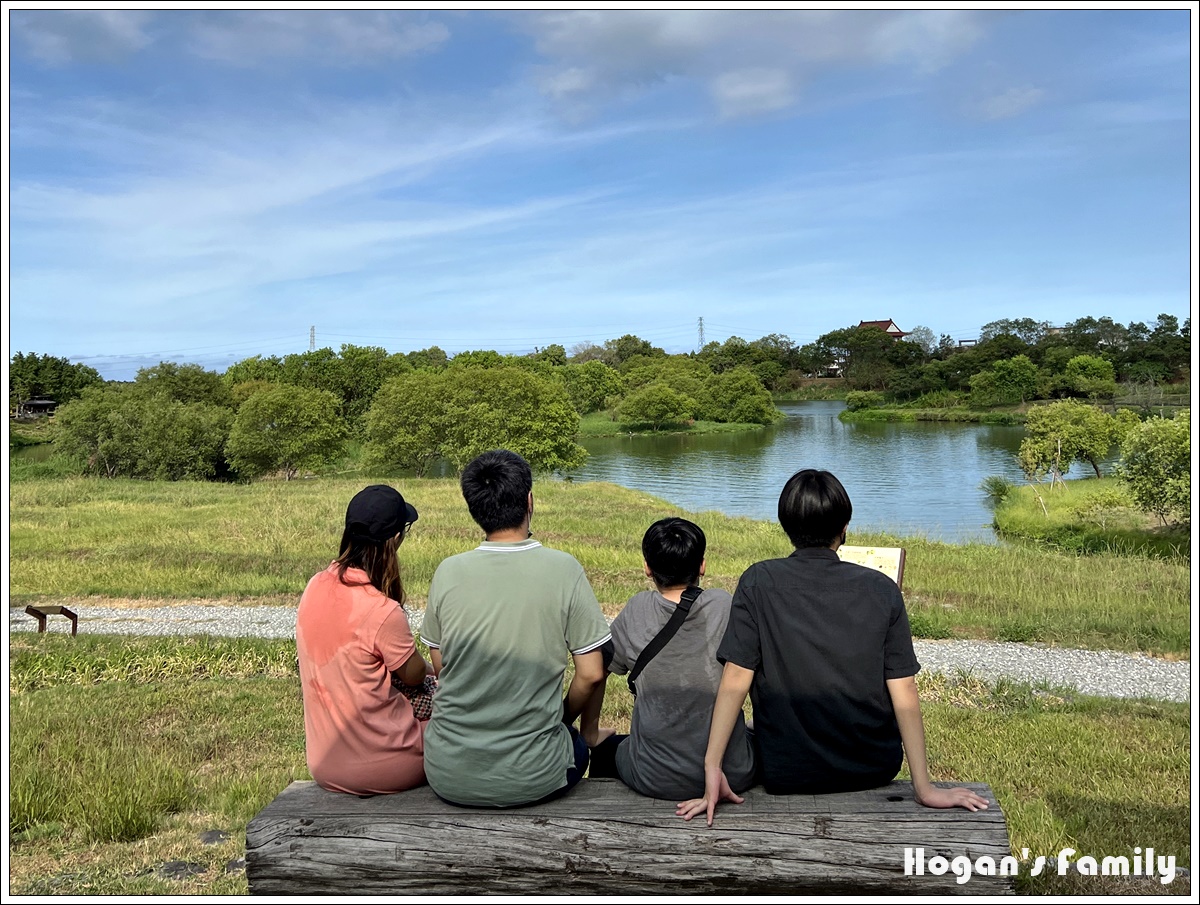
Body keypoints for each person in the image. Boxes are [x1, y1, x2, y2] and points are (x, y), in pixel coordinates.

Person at [677, 468, 989, 825]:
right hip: (873, 766)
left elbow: (735, 679)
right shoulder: (881, 588)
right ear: (845, 526)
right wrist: (925, 787)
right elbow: (904, 690)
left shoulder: (757, 581)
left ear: (786, 526)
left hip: (785, 770)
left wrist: (712, 766)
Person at [421, 449, 611, 808]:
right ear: (529, 501)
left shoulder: (448, 571)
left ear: (474, 508)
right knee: (577, 746)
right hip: (535, 777)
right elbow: (591, 674)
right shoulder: (564, 569)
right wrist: (561, 718)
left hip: (447, 773)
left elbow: (442, 667)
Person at [582, 517, 756, 800]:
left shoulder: (637, 609)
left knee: (607, 751)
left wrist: (589, 731)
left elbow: (597, 670)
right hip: (733, 773)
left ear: (647, 568)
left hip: (652, 776)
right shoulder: (723, 604)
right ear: (702, 565)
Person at [296, 484, 431, 796]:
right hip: (387, 766)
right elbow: (413, 674)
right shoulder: (381, 610)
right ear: (396, 538)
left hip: (325, 764)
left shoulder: (315, 585)